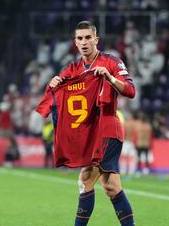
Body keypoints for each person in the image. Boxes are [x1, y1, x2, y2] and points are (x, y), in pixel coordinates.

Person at [47, 21, 135, 226]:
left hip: (107, 129)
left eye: (88, 37)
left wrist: (111, 78)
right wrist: (53, 85)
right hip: (88, 135)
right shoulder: (72, 69)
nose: (84, 42)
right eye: (80, 38)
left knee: (85, 179)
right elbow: (59, 97)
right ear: (75, 42)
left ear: (96, 39)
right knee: (111, 186)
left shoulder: (112, 62)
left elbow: (131, 91)